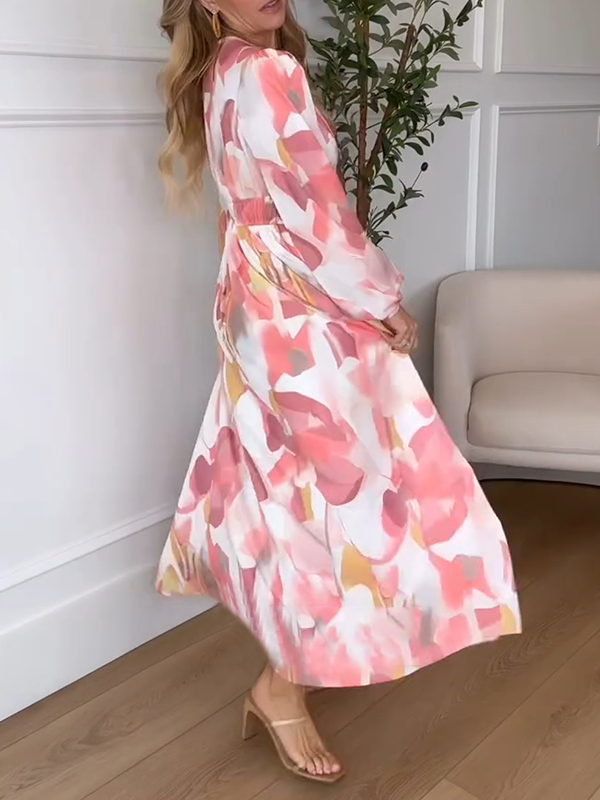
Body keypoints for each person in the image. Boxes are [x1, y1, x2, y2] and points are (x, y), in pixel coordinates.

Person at [155, 0, 521, 784]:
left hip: (256, 308)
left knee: (294, 494)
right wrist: (383, 300)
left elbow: (261, 209)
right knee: (353, 493)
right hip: (302, 317)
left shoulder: (220, 73)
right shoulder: (268, 70)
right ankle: (283, 685)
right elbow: (320, 216)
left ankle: (287, 675)